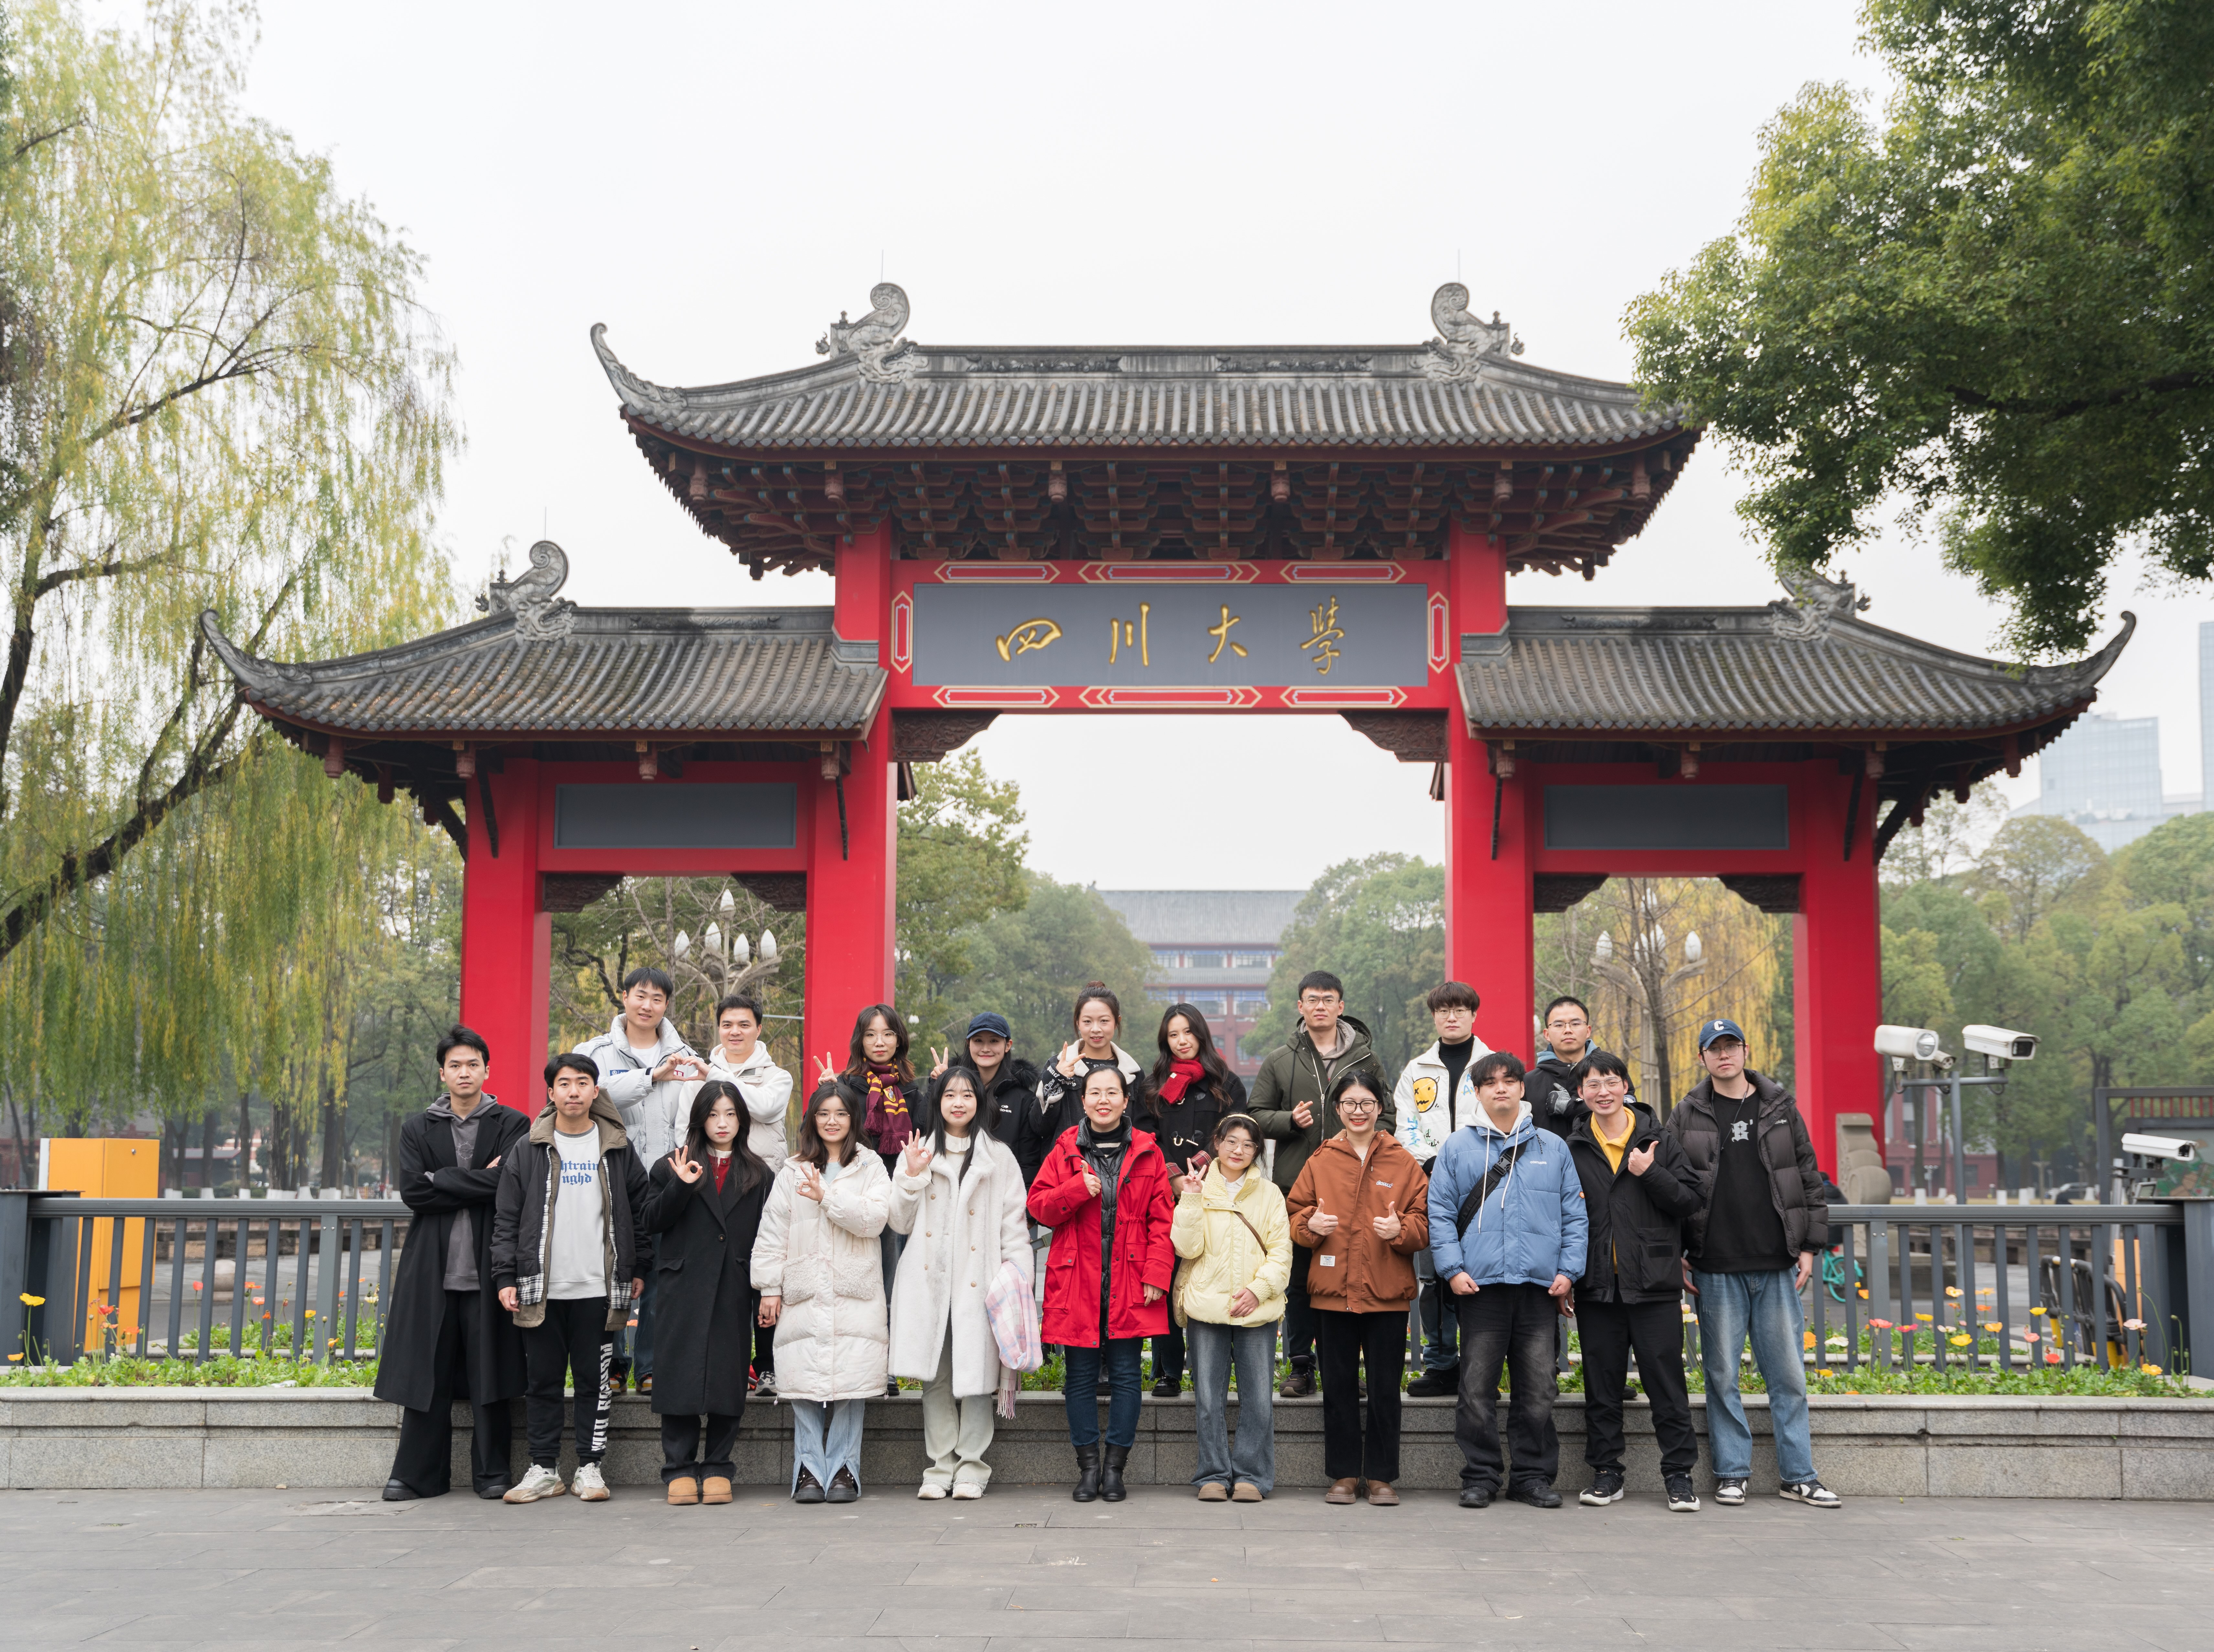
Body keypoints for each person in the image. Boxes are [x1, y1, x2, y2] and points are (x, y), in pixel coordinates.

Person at [1666, 1018, 1841, 1509]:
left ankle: (1799, 1476)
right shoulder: (1687, 1112)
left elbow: (1808, 1178)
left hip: (1775, 1261)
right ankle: (1732, 1473)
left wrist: (1809, 1246)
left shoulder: (1779, 1107)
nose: (1723, 1055)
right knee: (1721, 1377)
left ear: (1745, 1050)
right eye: (1714, 1048)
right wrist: (1678, 1250)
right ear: (1702, 1057)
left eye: (1731, 1046)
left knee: (1787, 1377)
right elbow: (1672, 1185)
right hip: (1713, 1264)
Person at [1426, 1050, 1587, 1511]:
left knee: (1538, 1388)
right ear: (1477, 1092)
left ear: (1521, 1088)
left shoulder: (1551, 1147)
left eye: (1509, 1080)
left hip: (1538, 1288)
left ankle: (1531, 1477)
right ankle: (1479, 1477)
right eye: (1490, 1082)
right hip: (1480, 1288)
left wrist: (1567, 1271)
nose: (1501, 1088)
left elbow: (1575, 1216)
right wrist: (1453, 1270)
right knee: (1476, 1389)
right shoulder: (1457, 1147)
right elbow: (1439, 1214)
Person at [491, 1053, 653, 1505]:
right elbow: (507, 1218)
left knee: (593, 1382)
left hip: (598, 1289)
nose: (574, 1091)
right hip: (542, 1287)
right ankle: (544, 1468)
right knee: (541, 1381)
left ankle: (589, 1466)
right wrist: (505, 1275)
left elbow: (638, 1212)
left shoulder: (616, 1147)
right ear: (551, 1092)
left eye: (583, 1083)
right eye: (564, 1083)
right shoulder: (529, 1149)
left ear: (595, 1091)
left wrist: (639, 1267)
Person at [377, 1027, 531, 1501]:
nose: (464, 1073)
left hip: (491, 1268)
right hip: (432, 1269)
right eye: (455, 1066)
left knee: (490, 1374)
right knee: (427, 1373)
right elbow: (414, 1192)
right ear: (442, 1073)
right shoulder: (417, 1127)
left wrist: (442, 1178)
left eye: (473, 1065)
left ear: (487, 1070)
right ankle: (417, 1475)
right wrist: (479, 1178)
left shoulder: (513, 1123)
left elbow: (511, 1186)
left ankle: (492, 1472)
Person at [1562, 1051, 1702, 1513]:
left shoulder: (1658, 1139)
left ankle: (1679, 1476)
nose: (1602, 1092)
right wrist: (1565, 1276)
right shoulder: (1572, 1146)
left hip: (1654, 1283)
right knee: (1601, 1386)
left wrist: (1650, 1173)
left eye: (1610, 1082)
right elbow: (1560, 1215)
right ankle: (1606, 1473)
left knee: (1666, 1384)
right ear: (1581, 1093)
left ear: (1625, 1086)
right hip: (1597, 1286)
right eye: (1592, 1084)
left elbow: (1690, 1201)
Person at [1028, 1063, 1175, 1503]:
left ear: (1126, 1101)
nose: (1103, 1100)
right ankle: (1088, 1468)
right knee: (1079, 1376)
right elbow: (1038, 1207)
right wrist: (1075, 1190)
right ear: (1084, 1100)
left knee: (1128, 1375)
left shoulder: (1147, 1151)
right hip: (1078, 1279)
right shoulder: (1064, 1149)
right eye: (1095, 1092)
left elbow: (1162, 1220)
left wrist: (1156, 1273)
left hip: (1131, 1280)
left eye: (1112, 1092)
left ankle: (1115, 1469)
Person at [886, 1067, 1033, 1498]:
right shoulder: (918, 1151)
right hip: (928, 1285)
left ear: (979, 1102)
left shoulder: (998, 1158)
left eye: (967, 1094)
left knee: (977, 1378)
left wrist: (1017, 1275)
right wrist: (911, 1176)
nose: (958, 1102)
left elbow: (1014, 1227)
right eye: (949, 1094)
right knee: (935, 1379)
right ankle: (940, 1467)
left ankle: (972, 1466)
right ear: (937, 1101)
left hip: (979, 1285)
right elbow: (898, 1222)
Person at [1288, 1065, 1430, 1506]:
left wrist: (1401, 1230)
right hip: (1332, 1295)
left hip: (1386, 1295)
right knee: (1339, 1388)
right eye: (1349, 1103)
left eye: (1366, 1103)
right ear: (1337, 1109)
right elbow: (1294, 1215)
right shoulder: (1321, 1160)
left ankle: (1383, 1477)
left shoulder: (1402, 1161)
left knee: (1386, 1390)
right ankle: (1344, 1475)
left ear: (1379, 1108)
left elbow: (1425, 1223)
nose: (1358, 1110)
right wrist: (1310, 1226)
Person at [1248, 970, 1384, 1397]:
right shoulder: (1280, 1059)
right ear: (1300, 1007)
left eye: (1328, 999)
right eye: (1312, 999)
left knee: (1348, 1278)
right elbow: (1255, 1115)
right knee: (1300, 1280)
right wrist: (1289, 1120)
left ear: (1341, 1006)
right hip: (1296, 1189)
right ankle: (1300, 1366)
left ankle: (1342, 1369)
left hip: (1355, 1190)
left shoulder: (1365, 1060)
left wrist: (1359, 1135)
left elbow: (1389, 1118)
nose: (1320, 1006)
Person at [753, 1082, 891, 1504]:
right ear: (812, 1119)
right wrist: (770, 1287)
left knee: (851, 1384)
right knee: (803, 1381)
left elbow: (874, 1221)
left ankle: (845, 1471)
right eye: (824, 1114)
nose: (832, 1122)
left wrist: (827, 1195)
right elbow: (772, 1232)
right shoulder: (792, 1170)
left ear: (854, 1119)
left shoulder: (870, 1165)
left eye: (841, 1114)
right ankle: (809, 1471)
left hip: (855, 1291)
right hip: (805, 1289)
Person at [576, 967, 704, 1395]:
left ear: (667, 1005)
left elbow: (699, 1114)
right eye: (640, 995)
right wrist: (652, 1077)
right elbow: (589, 1095)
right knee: (612, 1273)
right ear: (625, 997)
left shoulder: (688, 1056)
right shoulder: (594, 1052)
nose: (647, 1006)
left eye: (657, 999)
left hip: (668, 1186)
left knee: (660, 1279)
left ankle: (650, 1366)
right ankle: (614, 1364)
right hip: (611, 1182)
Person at [641, 1080, 769, 1506]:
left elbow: (769, 1235)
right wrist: (680, 1186)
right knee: (680, 1376)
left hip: (734, 1284)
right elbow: (650, 1220)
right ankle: (678, 1468)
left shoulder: (758, 1173)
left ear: (742, 1120)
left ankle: (717, 1466)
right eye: (713, 1114)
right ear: (699, 1119)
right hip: (683, 1286)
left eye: (730, 1114)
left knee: (728, 1377)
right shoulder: (671, 1165)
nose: (722, 1123)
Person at [1170, 1112, 1291, 1502]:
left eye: (1248, 1145)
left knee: (1258, 1399)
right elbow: (1186, 1249)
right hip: (1207, 1307)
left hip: (1255, 1309)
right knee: (1208, 1398)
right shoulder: (1198, 1189)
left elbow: (1281, 1253)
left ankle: (1252, 1477)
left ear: (1257, 1152)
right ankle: (1212, 1474)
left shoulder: (1269, 1194)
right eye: (1231, 1142)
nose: (1238, 1150)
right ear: (1217, 1144)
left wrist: (1258, 1290)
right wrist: (1190, 1199)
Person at [683, 993, 793, 1398]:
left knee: (765, 1275)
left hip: (761, 1189)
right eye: (727, 1024)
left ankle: (767, 1367)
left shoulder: (777, 1076)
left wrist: (712, 1075)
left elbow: (764, 1108)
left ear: (759, 1029)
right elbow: (685, 1126)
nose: (735, 1032)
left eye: (744, 1024)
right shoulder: (696, 1075)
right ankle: (722, 1366)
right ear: (718, 1028)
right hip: (710, 1189)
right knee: (720, 1278)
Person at [1137, 1002, 1246, 1397]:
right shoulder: (1151, 1086)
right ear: (1164, 1040)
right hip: (1164, 1195)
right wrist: (1173, 1177)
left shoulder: (1226, 1083)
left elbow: (1235, 1132)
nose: (1182, 1041)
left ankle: (1213, 1372)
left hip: (1216, 1194)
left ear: (1201, 1034)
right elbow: (1144, 1137)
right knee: (1164, 1281)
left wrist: (1199, 1170)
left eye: (1188, 1032)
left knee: (1210, 1278)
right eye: (1173, 1035)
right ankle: (1168, 1370)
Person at [808, 1002, 914, 1393]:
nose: (879, 1042)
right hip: (853, 1199)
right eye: (870, 1035)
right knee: (852, 1283)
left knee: (890, 1282)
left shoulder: (913, 1090)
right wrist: (825, 1091)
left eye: (887, 1034)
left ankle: (887, 1367)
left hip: (897, 1198)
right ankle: (846, 1363)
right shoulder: (846, 1086)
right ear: (860, 1040)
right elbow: (822, 1131)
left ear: (899, 1039)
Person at [1393, 982, 1489, 1398]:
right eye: (1443, 1011)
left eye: (1460, 1010)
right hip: (1431, 1185)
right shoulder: (1417, 1070)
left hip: (1486, 1187)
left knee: (1482, 1277)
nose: (1451, 1017)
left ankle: (1480, 1369)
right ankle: (1441, 1364)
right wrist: (1432, 1163)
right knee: (1433, 1279)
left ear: (1473, 1015)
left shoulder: (1492, 1065)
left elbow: (1504, 1118)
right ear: (1433, 1017)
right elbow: (1404, 1124)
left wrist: (1470, 1164)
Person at [1019, 984, 1146, 1188]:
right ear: (1078, 1023)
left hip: (1122, 1179)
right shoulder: (1058, 1065)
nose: (1096, 1029)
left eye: (1104, 1021)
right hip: (1066, 1175)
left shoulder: (1133, 1073)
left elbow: (1141, 1133)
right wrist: (1056, 1078)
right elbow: (1039, 1127)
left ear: (1117, 1022)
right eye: (1087, 1022)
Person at [925, 1011, 1038, 1163]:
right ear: (968, 1044)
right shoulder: (948, 1087)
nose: (985, 1048)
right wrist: (938, 1085)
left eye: (994, 1041)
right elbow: (923, 1126)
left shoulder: (1023, 1099)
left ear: (1008, 1045)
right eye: (978, 1041)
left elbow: (1029, 1160)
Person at [1529, 996, 1608, 1139]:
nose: (1568, 1030)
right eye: (1559, 1025)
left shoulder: (1611, 1072)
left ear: (1588, 1031)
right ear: (1547, 1034)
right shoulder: (1529, 1083)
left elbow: (1628, 1116)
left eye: (1576, 1024)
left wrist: (1572, 1107)